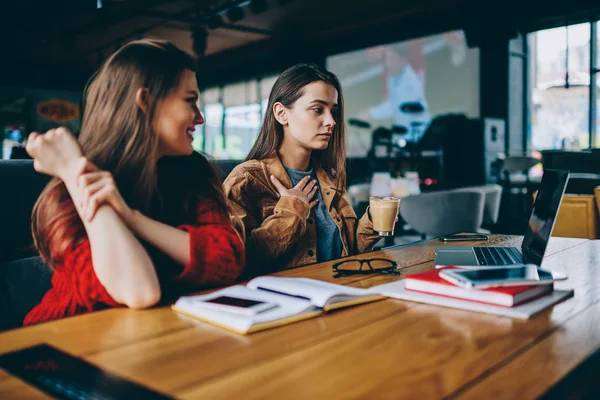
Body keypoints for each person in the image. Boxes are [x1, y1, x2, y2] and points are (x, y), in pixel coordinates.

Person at [22, 39, 245, 326]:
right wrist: (75, 174)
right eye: (190, 100)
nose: (200, 117)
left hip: (162, 336)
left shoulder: (193, 174)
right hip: (63, 347)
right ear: (146, 102)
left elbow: (228, 259)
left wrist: (131, 218)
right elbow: (139, 290)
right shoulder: (65, 196)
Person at [224, 63, 382, 274]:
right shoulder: (246, 180)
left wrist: (374, 222)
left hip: (339, 296)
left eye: (333, 111)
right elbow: (236, 260)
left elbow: (348, 252)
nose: (331, 121)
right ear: (281, 114)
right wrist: (292, 212)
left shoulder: (328, 178)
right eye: (318, 109)